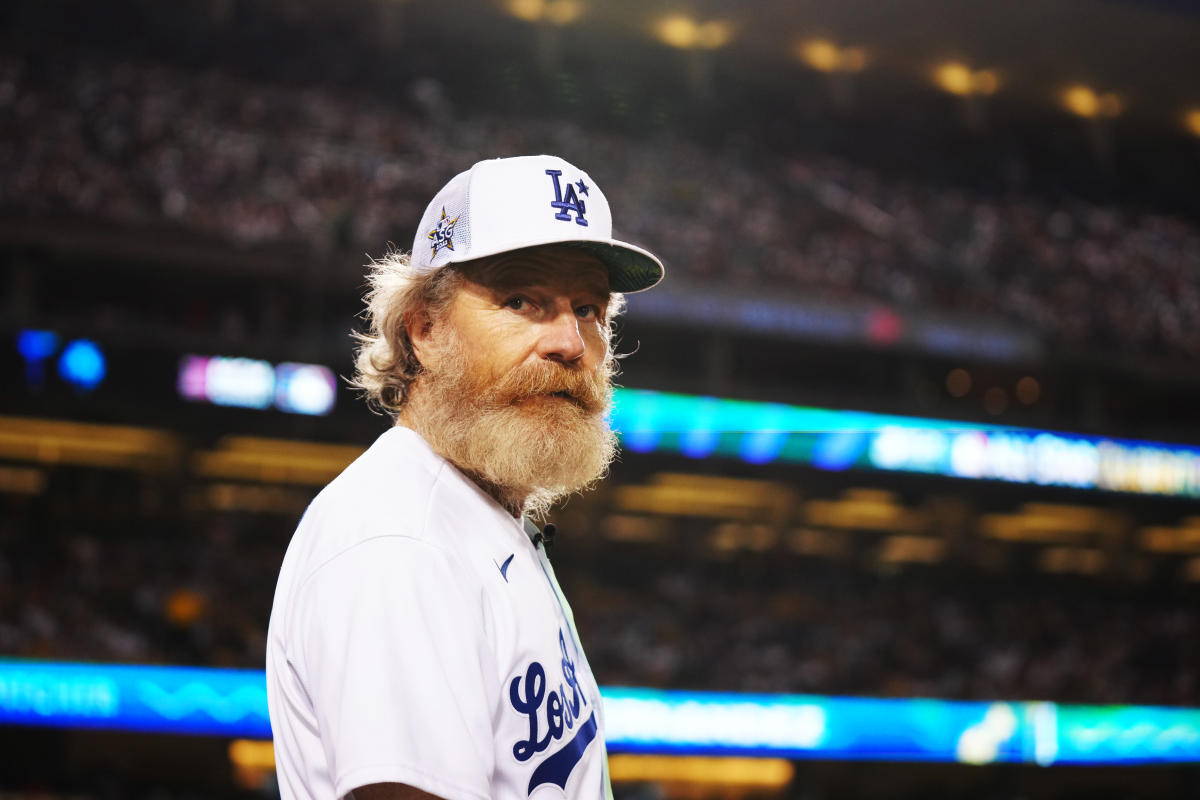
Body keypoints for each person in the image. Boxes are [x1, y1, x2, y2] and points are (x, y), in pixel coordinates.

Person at [265, 155, 664, 800]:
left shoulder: (476, 511)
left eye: (589, 307)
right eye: (521, 299)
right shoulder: (400, 540)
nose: (570, 341)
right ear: (424, 328)